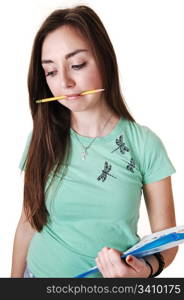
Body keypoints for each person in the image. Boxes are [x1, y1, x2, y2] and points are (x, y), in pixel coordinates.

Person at [11, 5, 178, 278]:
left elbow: (166, 241)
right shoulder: (42, 138)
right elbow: (28, 224)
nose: (64, 82)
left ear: (104, 59)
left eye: (77, 65)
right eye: (51, 72)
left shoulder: (145, 144)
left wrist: (144, 270)